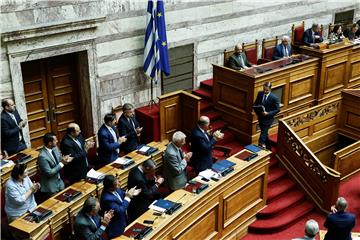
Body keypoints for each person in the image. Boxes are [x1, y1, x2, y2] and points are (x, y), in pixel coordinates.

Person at [38, 133, 73, 197]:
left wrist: (65, 159)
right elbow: (49, 173)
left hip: (60, 182)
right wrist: (62, 163)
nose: (57, 141)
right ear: (50, 143)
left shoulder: (55, 148)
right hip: (51, 187)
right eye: (55, 140)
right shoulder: (42, 156)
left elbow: (59, 159)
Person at [253, 82, 280, 149]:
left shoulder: (274, 98)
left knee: (263, 132)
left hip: (268, 119)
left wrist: (268, 113)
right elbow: (256, 103)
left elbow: (277, 109)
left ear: (270, 89)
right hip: (260, 117)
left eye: (267, 90)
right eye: (264, 89)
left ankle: (260, 145)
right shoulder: (260, 93)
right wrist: (254, 110)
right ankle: (269, 148)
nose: (265, 91)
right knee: (264, 132)